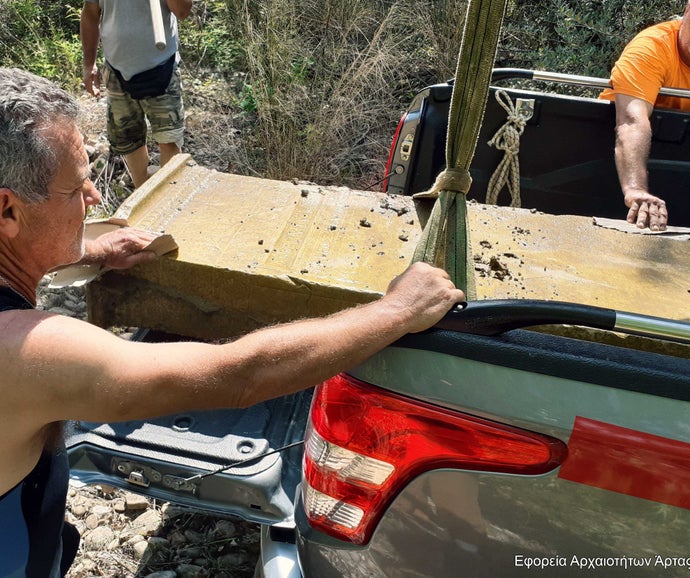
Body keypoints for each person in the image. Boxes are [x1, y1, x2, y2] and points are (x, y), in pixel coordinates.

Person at [0, 67, 464, 577]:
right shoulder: (26, 354)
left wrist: (90, 247)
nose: (93, 199)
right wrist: (396, 310)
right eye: (76, 189)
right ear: (8, 210)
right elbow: (237, 375)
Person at [599, 0, 690, 231]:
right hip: (612, 171)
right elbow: (631, 121)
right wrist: (636, 190)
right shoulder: (652, 47)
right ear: (687, 10)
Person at [81, 0, 193, 188]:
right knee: (129, 140)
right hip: (117, 69)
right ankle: (142, 196)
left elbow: (182, 11)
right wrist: (88, 64)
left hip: (160, 66)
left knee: (169, 140)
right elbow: (90, 14)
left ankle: (168, 200)